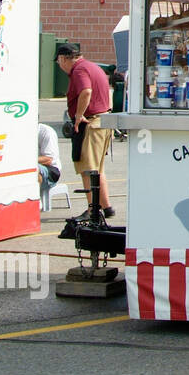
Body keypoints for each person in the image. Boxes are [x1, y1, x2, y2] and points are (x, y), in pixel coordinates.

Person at [55, 44, 114, 233]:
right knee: (97, 168)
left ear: (63, 59)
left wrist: (79, 115)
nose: (59, 66)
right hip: (102, 121)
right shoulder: (92, 66)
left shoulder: (79, 70)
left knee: (88, 169)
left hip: (91, 123)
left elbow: (86, 91)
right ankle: (105, 206)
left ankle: (92, 209)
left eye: (58, 62)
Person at [36, 122, 62, 202]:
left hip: (51, 171)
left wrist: (26, 160)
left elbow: (48, 159)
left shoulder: (46, 132)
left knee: (34, 169)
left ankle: (36, 200)